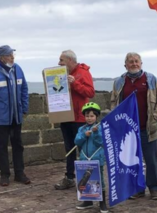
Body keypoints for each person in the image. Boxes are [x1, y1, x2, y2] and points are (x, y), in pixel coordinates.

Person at [110, 52, 157, 200]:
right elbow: (113, 103)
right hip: (128, 129)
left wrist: (156, 115)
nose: (134, 64)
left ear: (141, 63)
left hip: (147, 127)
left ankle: (154, 188)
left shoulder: (151, 79)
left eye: (136, 61)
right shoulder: (118, 82)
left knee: (151, 160)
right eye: (131, 62)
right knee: (131, 161)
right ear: (125, 65)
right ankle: (137, 188)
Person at [0, 45, 31, 186]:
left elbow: (24, 89)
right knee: (2, 146)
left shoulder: (18, 69)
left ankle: (20, 173)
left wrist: (24, 108)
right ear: (1, 58)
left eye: (13, 54)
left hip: (16, 115)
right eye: (9, 55)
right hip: (0, 117)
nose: (12, 57)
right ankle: (4, 174)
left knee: (18, 145)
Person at [55, 50, 96, 190]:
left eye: (61, 60)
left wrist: (75, 83)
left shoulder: (83, 72)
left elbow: (90, 92)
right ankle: (69, 177)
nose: (59, 63)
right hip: (65, 115)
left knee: (83, 148)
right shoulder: (61, 74)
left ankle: (88, 178)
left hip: (79, 118)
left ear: (71, 61)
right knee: (69, 149)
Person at [74, 102, 108, 213]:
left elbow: (101, 142)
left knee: (99, 180)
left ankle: (102, 202)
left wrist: (96, 133)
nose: (89, 118)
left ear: (96, 116)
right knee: (85, 180)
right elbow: (77, 141)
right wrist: (84, 135)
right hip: (84, 159)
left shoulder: (100, 127)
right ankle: (87, 201)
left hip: (97, 158)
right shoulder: (81, 129)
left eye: (92, 116)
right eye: (87, 116)